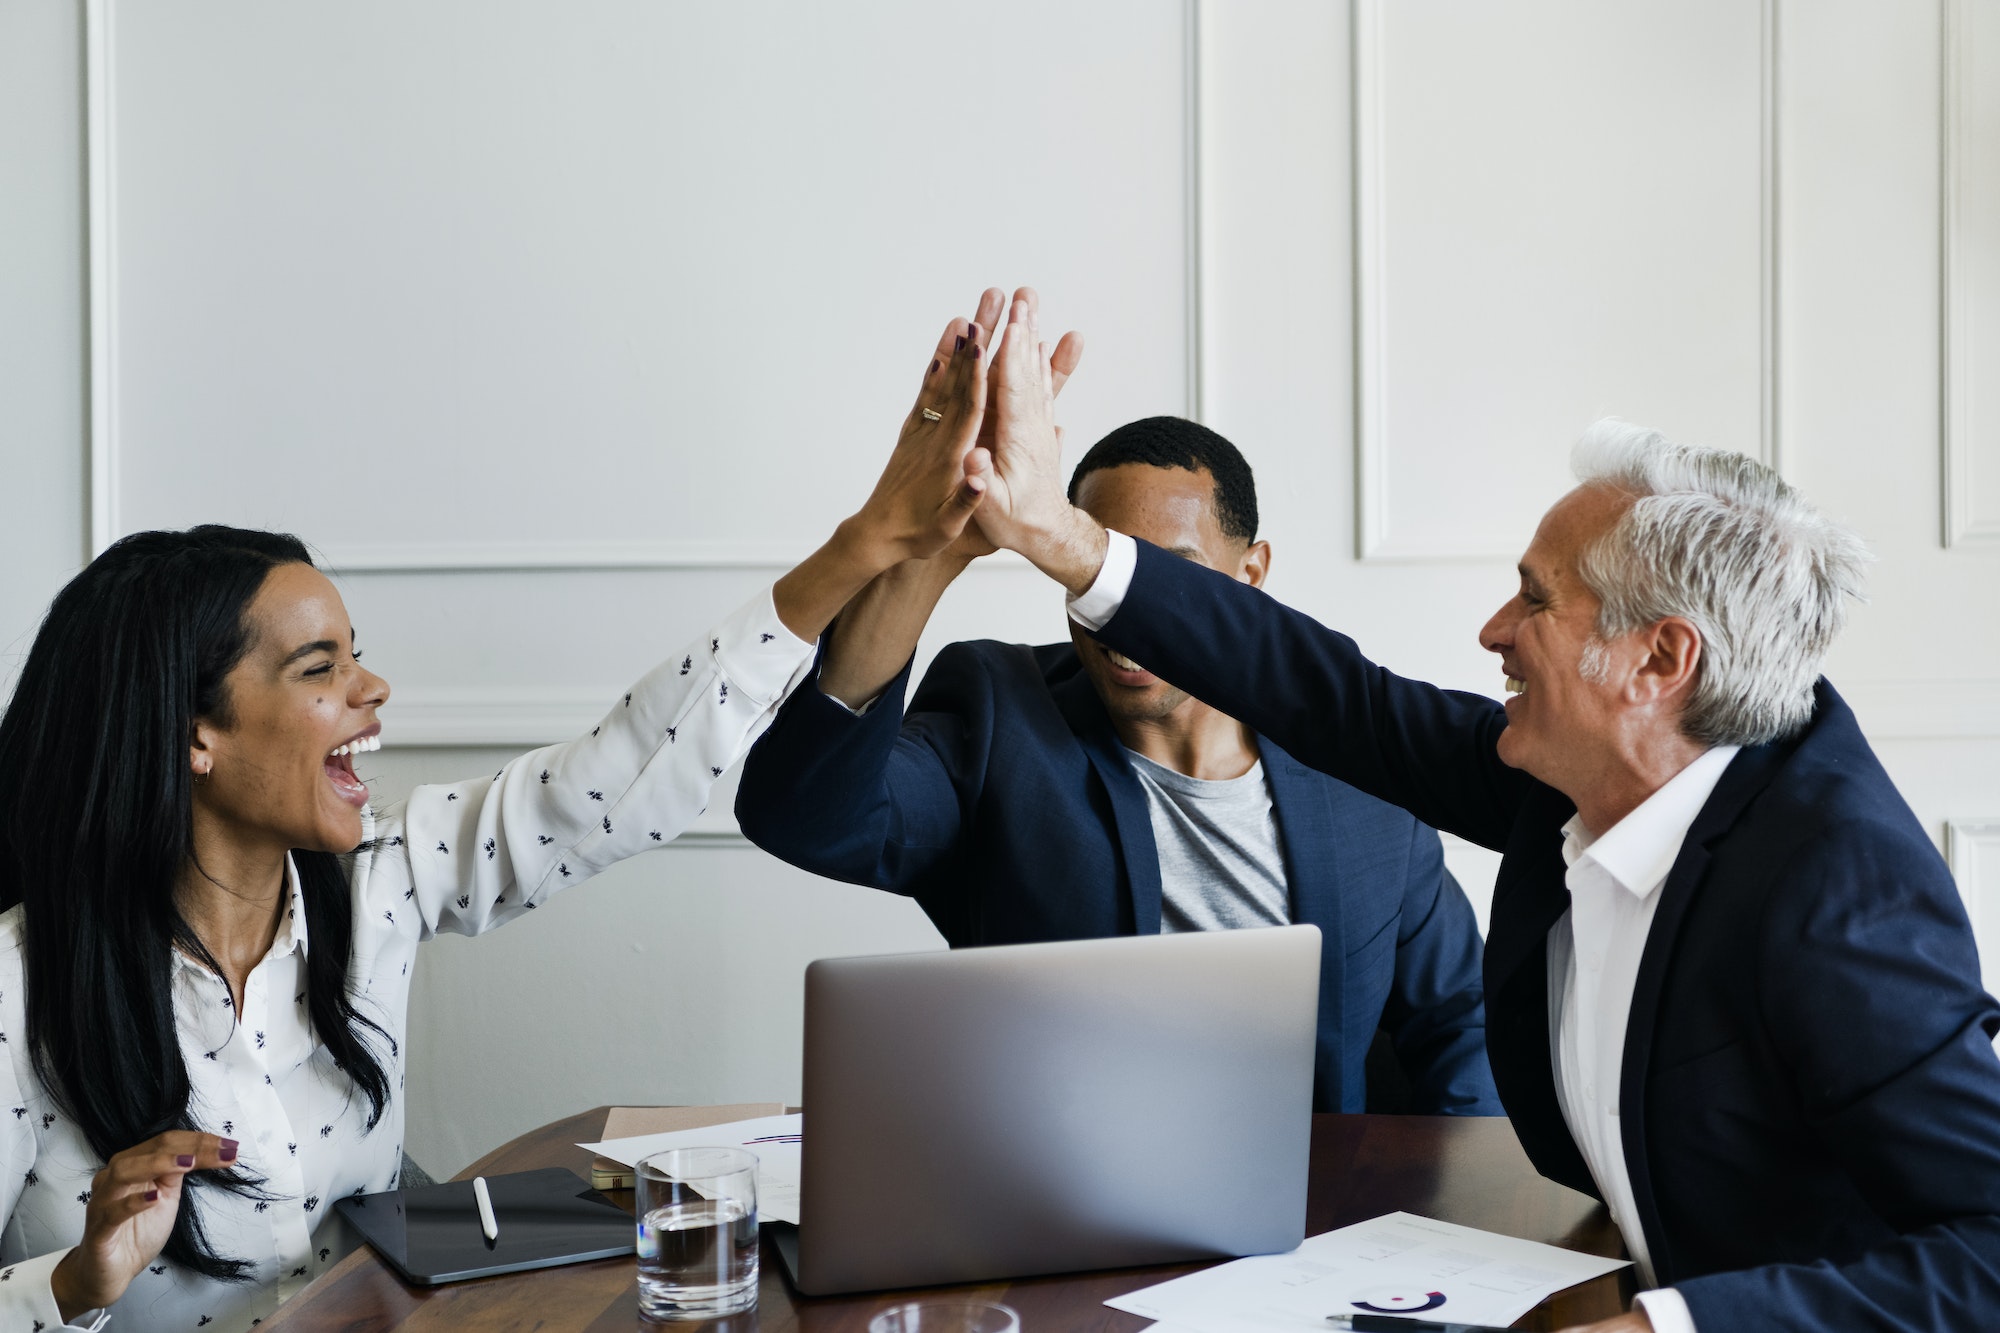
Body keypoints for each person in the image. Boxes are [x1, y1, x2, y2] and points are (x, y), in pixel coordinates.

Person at [965, 295, 2000, 1332]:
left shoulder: (1840, 891)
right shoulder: (1574, 774)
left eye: (1534, 600)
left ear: (1657, 657)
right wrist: (1057, 537)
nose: (1491, 631)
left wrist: (1660, 1329)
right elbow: (1333, 697)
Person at [0, 294, 1018, 1333]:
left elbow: (607, 786)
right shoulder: (18, 982)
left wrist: (866, 544)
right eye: (321, 667)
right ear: (192, 737)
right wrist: (75, 1284)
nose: (373, 688)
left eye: (357, 651)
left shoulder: (378, 880)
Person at [737, 409, 1497, 1114]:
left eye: (1167, 574)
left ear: (1251, 575)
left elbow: (1462, 1020)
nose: (1126, 629)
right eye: (1093, 577)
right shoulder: (1000, 715)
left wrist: (1472, 1226)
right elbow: (809, 819)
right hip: (1054, 1206)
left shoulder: (1360, 772)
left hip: (1312, 1221)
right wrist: (922, 555)